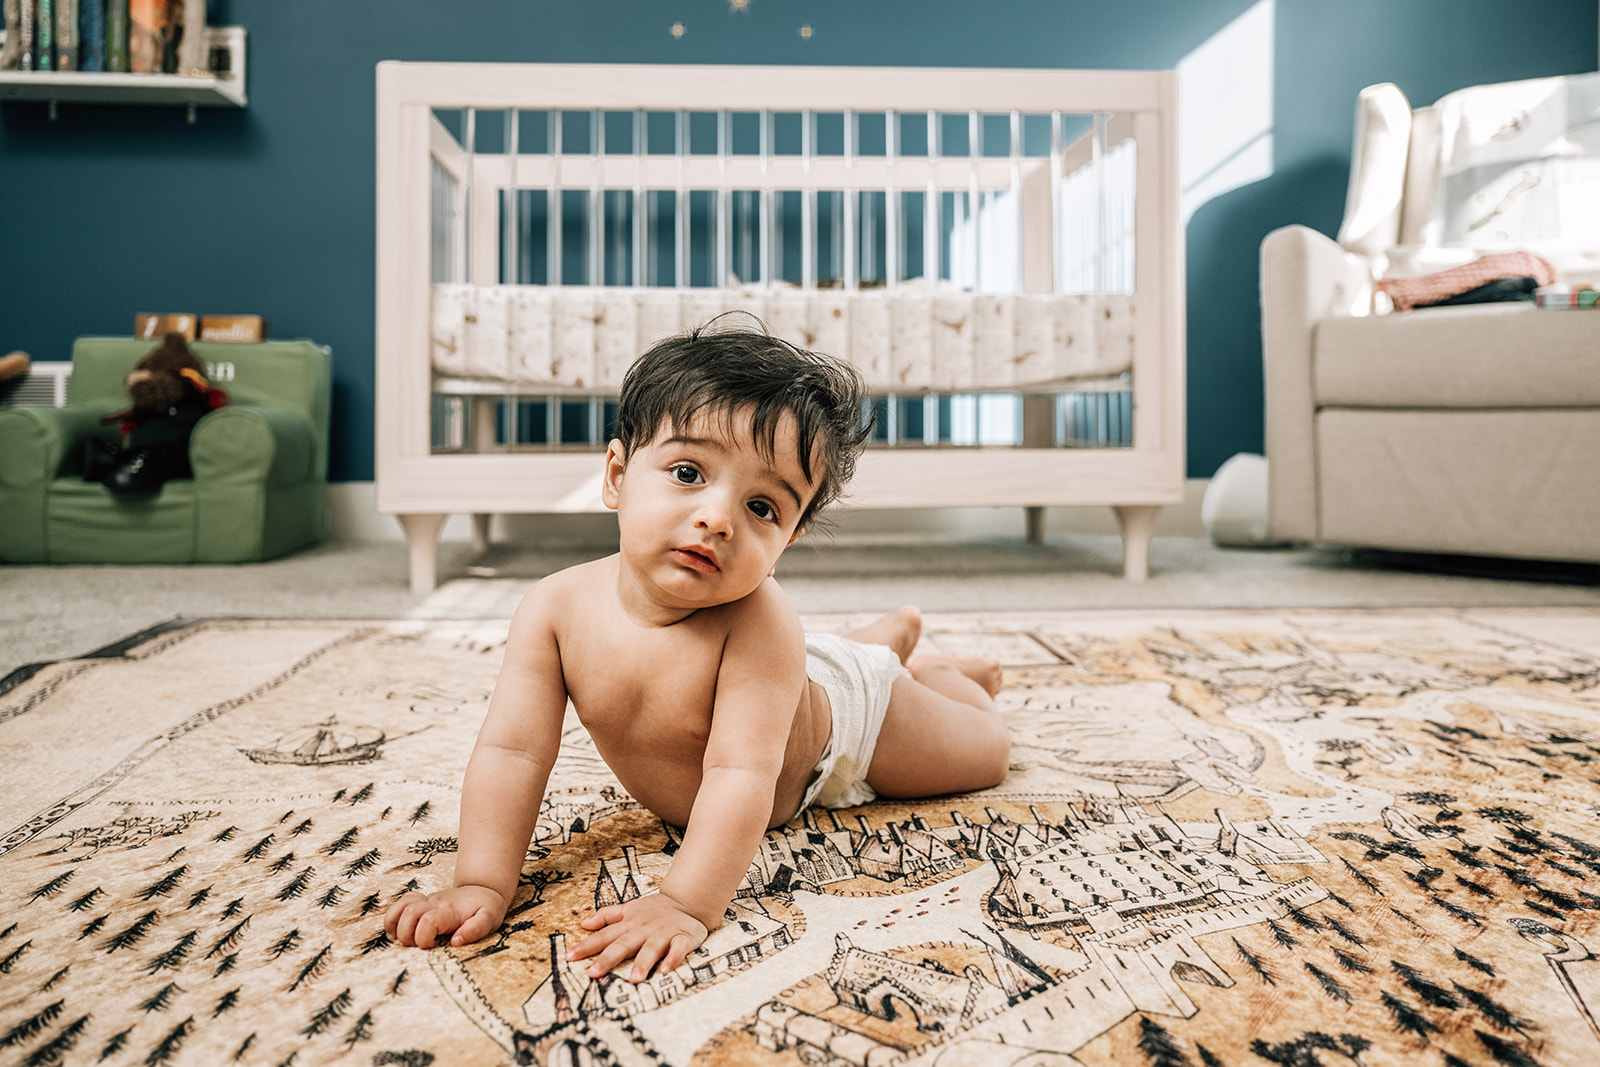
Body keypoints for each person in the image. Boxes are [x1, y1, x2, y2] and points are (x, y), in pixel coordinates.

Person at [384, 321, 1010, 983]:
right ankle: (882, 636)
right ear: (618, 476)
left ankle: (938, 671)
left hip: (852, 721)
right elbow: (512, 750)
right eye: (688, 472)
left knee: (987, 752)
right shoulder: (554, 608)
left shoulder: (762, 620)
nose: (718, 518)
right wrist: (482, 880)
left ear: (786, 542)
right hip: (790, 678)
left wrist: (685, 902)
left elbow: (742, 774)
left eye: (763, 507)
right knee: (806, 664)